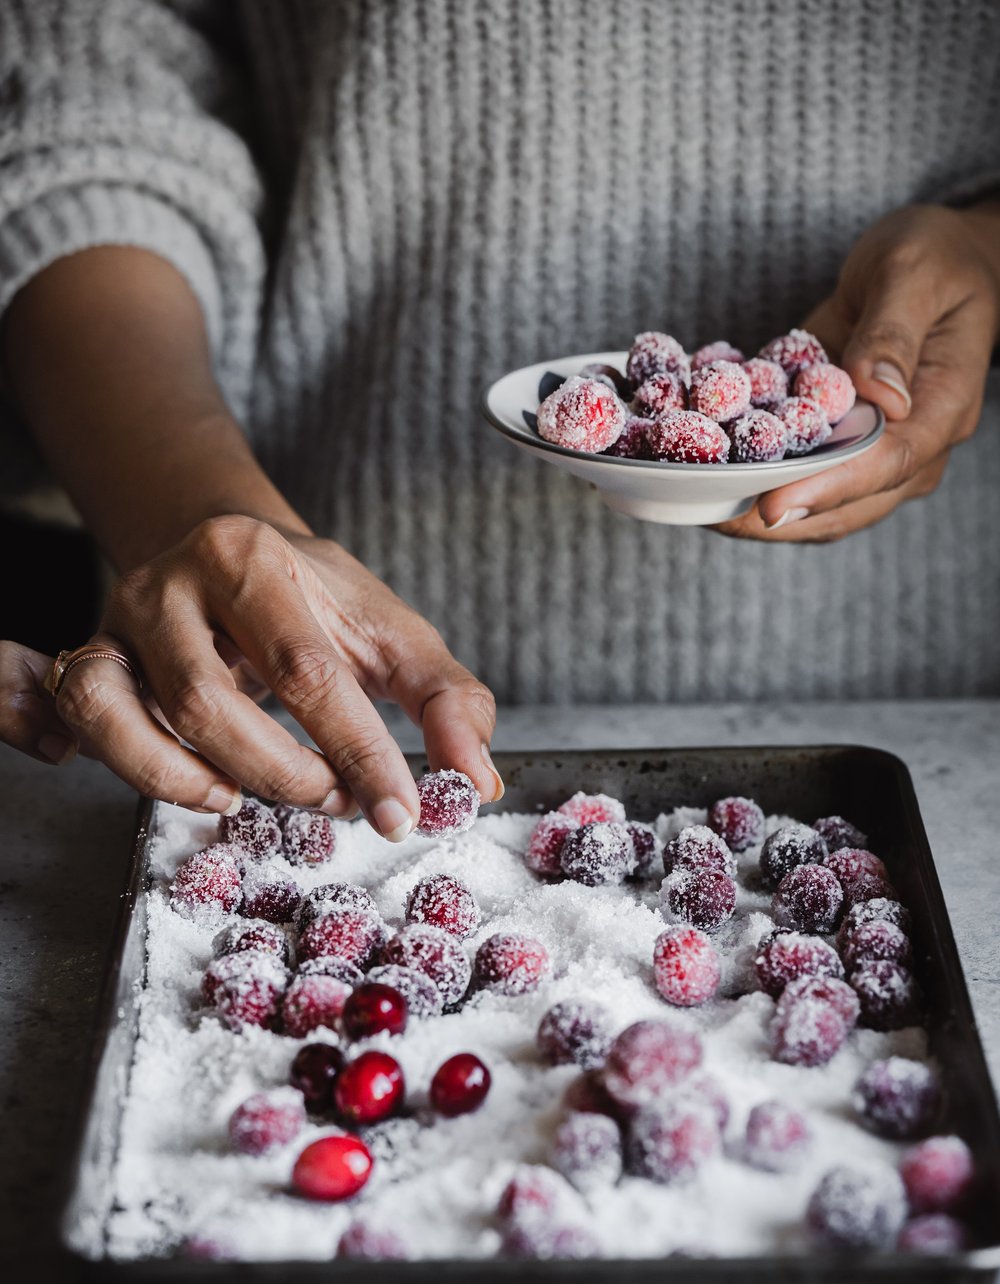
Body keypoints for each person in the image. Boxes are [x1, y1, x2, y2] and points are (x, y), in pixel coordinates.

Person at [1, 1, 998, 839]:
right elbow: (91, 112)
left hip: (936, 724)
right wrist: (201, 515)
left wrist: (985, 251)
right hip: (296, 648)